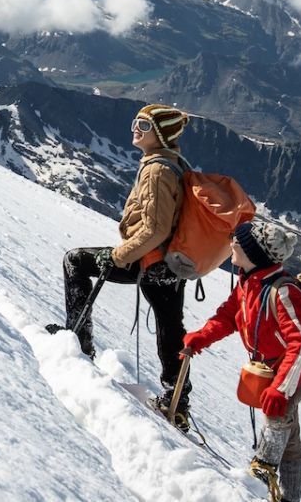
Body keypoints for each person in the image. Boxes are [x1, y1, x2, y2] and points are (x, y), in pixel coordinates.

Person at [46, 104, 193, 428]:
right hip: (172, 265)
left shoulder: (157, 171)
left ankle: (79, 342)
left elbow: (155, 229)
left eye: (143, 124)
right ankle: (177, 402)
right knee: (171, 330)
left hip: (150, 260)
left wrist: (121, 254)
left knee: (76, 261)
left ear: (161, 133)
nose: (135, 128)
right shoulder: (174, 164)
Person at [182, 221, 301, 502]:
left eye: (239, 242)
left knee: (278, 413)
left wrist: (280, 388)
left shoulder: (283, 291)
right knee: (290, 439)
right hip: (274, 365)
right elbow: (228, 315)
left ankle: (263, 469)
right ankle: (291, 497)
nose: (232, 243)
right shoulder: (250, 281)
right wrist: (200, 337)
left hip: (298, 367)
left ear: (253, 253)